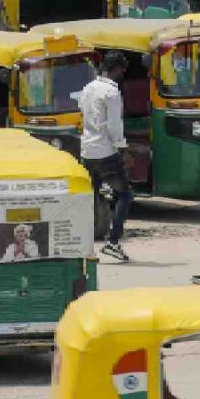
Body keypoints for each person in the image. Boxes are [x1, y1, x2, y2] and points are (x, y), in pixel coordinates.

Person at [78, 50, 132, 262]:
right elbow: (114, 126)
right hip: (105, 151)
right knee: (124, 195)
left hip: (87, 150)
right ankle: (113, 241)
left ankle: (83, 243)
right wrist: (123, 150)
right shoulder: (111, 92)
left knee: (91, 197)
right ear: (117, 69)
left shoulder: (87, 88)